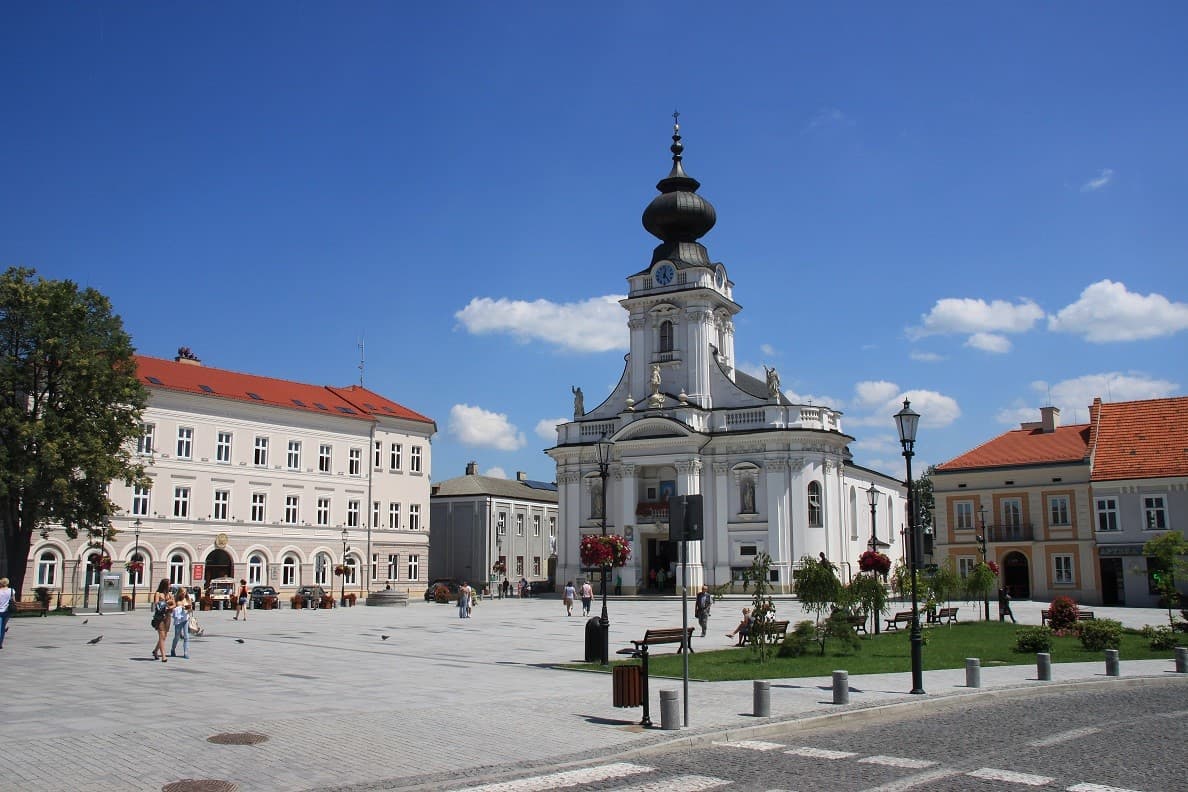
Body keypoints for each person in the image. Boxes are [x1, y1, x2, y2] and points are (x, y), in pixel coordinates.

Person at [150, 579, 172, 662]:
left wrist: (171, 606)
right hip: (160, 617)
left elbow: (174, 603)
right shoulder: (158, 594)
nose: (170, 586)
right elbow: (156, 604)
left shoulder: (169, 594)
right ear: (164, 585)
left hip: (168, 616)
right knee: (162, 636)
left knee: (164, 636)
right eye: (169, 584)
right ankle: (163, 656)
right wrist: (166, 603)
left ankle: (155, 651)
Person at [170, 587, 191, 658]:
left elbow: (191, 609)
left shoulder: (187, 599)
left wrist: (188, 609)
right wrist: (179, 608)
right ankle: (173, 649)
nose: (184, 594)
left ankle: (186, 653)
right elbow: (172, 608)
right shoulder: (176, 599)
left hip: (185, 619)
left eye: (185, 592)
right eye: (183, 592)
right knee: (177, 636)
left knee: (186, 636)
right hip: (178, 620)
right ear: (179, 593)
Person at [0, 577, 13, 649]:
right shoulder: (11, 591)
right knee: (2, 627)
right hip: (7, 611)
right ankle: (0, 643)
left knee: (1, 627)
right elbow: (13, 600)